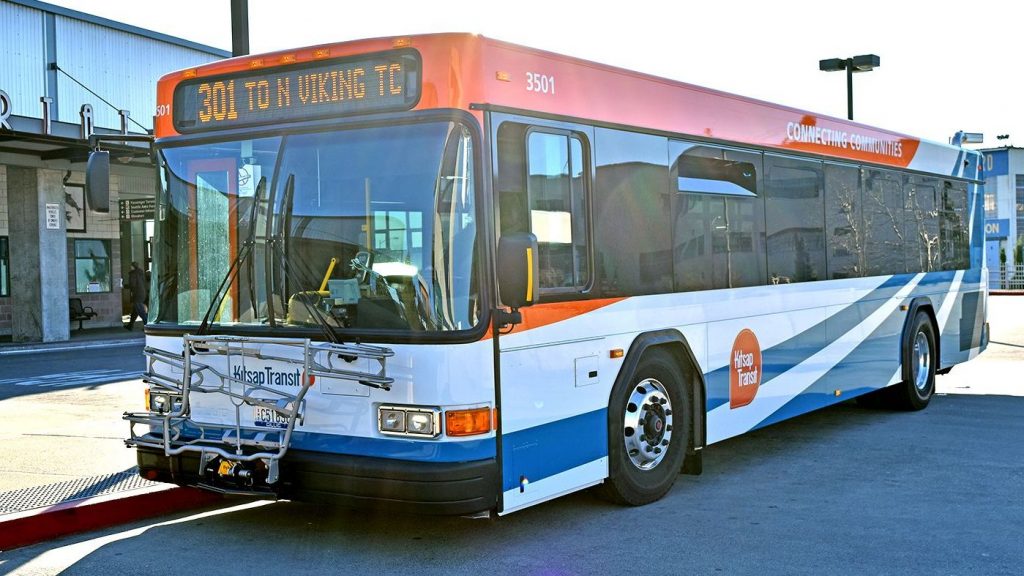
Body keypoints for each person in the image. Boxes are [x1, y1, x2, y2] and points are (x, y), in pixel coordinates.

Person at [125, 261, 148, 330]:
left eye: (131, 266)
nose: (130, 267)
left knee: (141, 312)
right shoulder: (141, 273)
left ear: (133, 266)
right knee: (135, 311)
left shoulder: (133, 274)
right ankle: (130, 325)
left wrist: (125, 286)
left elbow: (133, 284)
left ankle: (147, 327)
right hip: (142, 293)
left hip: (137, 294)